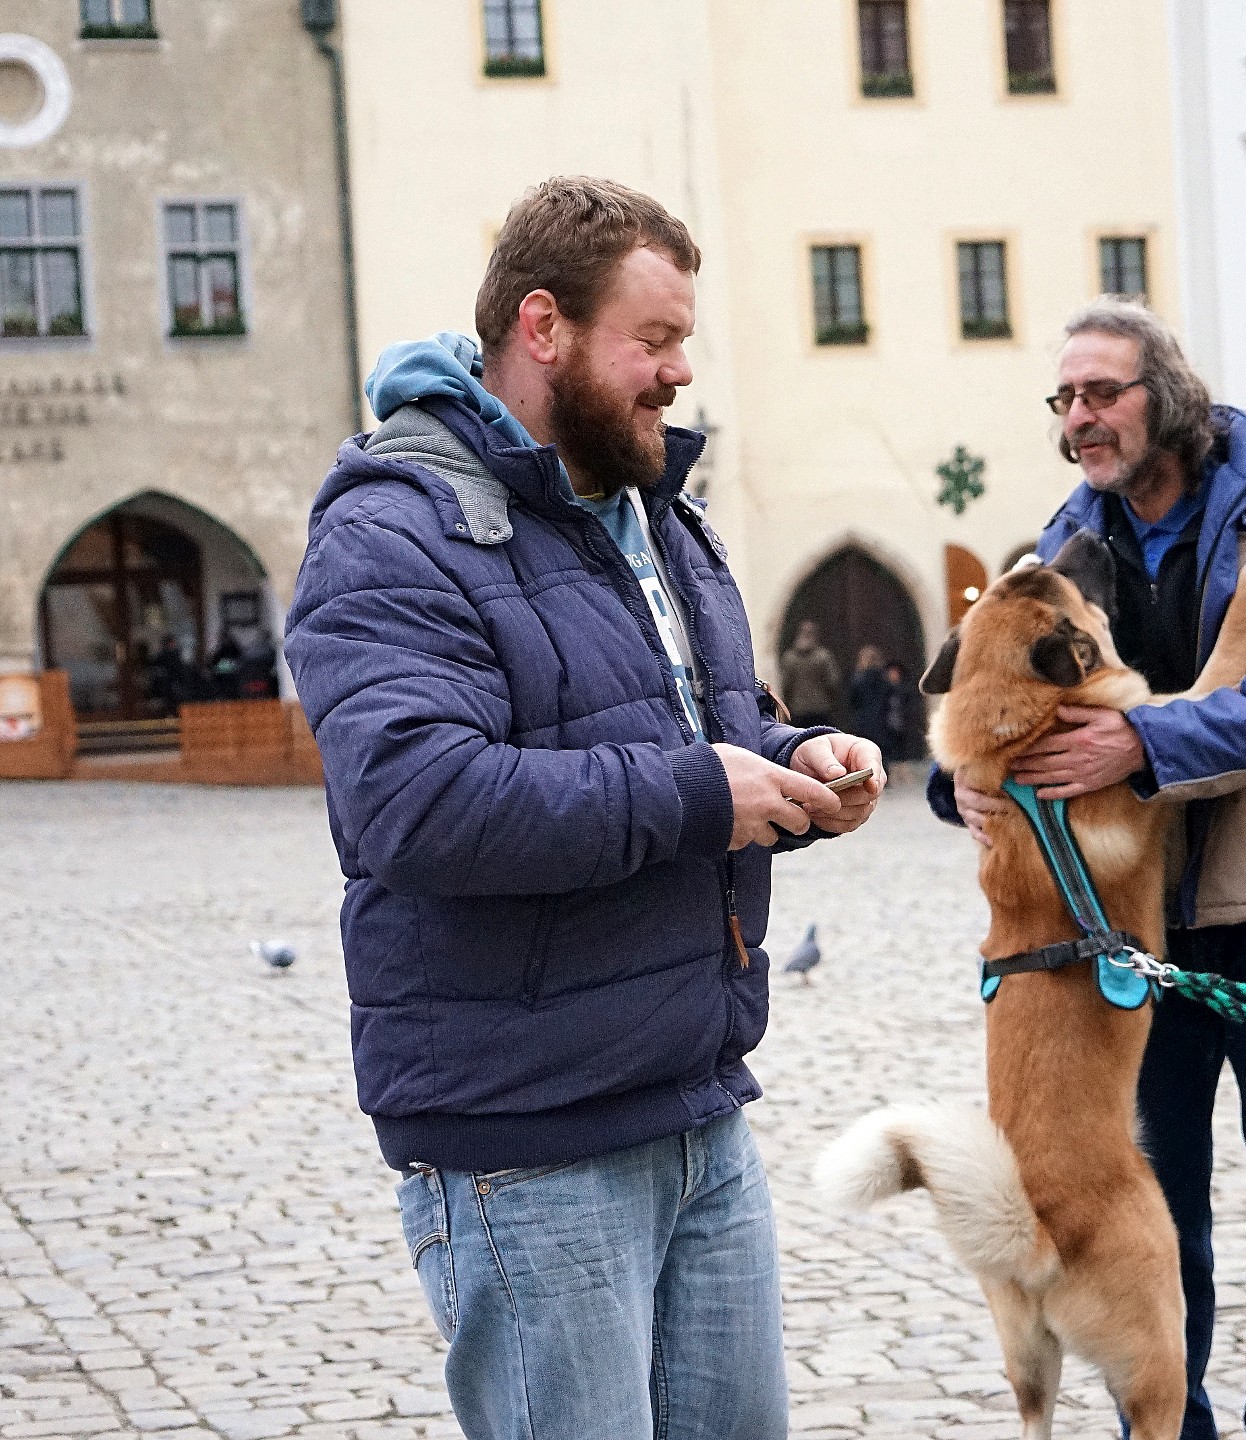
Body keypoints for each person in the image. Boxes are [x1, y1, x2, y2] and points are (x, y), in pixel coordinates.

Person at [284, 176, 883, 1440]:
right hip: (524, 1144)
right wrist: (698, 792)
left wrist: (793, 755)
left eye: (681, 343)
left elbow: (692, 728)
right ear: (543, 327)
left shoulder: (649, 512)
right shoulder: (396, 526)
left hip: (696, 1113)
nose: (676, 374)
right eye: (652, 341)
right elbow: (416, 800)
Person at [929, 298, 1246, 1440]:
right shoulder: (1070, 536)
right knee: (1154, 1219)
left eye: (1100, 394)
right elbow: (1000, 703)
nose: (1078, 418)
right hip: (1125, 942)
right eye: (1064, 399)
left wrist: (1142, 744)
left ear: (1164, 396)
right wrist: (960, 786)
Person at [779, 618, 841, 728]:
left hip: (798, 710)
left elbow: (785, 685)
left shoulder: (789, 658)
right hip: (820, 709)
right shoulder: (824, 656)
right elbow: (833, 682)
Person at [848, 644, 892, 750]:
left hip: (863, 721)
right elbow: (889, 698)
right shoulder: (884, 679)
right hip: (882, 720)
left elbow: (853, 701)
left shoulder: (858, 680)